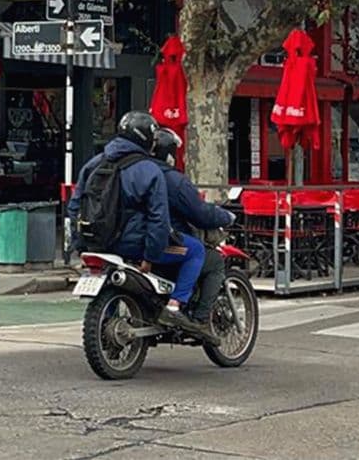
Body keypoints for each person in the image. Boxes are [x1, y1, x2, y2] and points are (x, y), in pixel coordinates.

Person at [68, 111, 205, 332]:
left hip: (96, 244)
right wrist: (150, 256)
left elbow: (74, 206)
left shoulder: (93, 164)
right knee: (196, 250)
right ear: (146, 138)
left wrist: (79, 244)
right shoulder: (149, 170)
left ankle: (108, 323)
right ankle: (174, 306)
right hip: (133, 245)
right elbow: (158, 218)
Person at [151, 128, 237, 331]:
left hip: (127, 241)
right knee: (211, 260)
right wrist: (226, 216)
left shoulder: (132, 172)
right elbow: (199, 213)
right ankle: (195, 318)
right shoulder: (172, 180)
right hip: (162, 243)